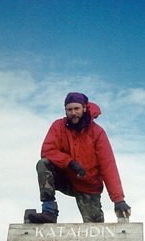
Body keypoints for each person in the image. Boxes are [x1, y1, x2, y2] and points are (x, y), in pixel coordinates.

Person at [26, 92, 131, 224]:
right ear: (65, 111)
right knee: (43, 164)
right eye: (69, 109)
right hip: (67, 178)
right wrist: (70, 163)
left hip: (88, 185)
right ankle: (49, 211)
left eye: (77, 109)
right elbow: (47, 150)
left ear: (84, 108)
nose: (73, 113)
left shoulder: (97, 133)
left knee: (95, 227)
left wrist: (118, 199)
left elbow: (108, 165)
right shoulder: (58, 126)